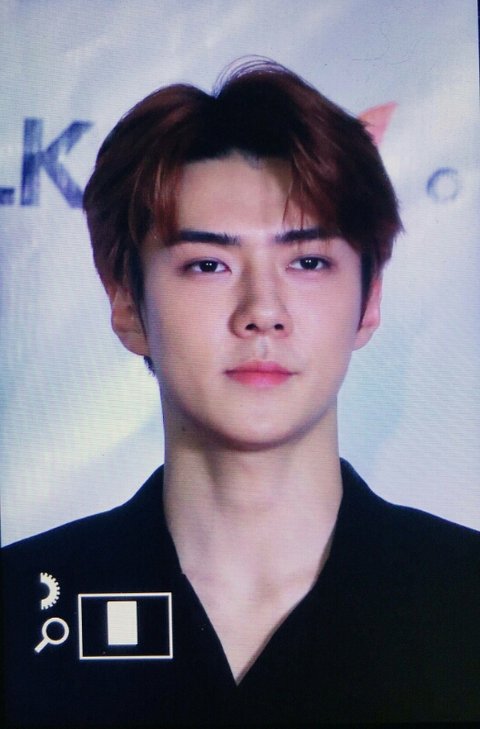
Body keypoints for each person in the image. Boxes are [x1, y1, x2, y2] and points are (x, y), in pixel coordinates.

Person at [2, 58, 479, 727]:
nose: (262, 311)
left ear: (369, 301)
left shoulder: (462, 596)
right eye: (208, 264)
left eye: (308, 261)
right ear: (127, 303)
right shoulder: (22, 607)